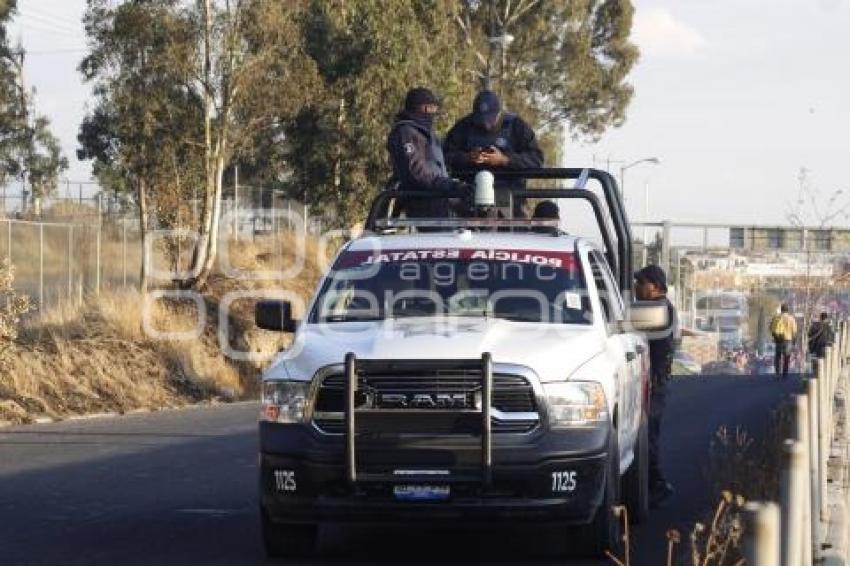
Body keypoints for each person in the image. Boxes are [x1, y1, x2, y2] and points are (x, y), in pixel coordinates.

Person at [444, 90, 544, 217]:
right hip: (471, 196)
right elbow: (444, 158)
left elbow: (537, 159)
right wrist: (468, 157)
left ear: (499, 113)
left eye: (490, 119)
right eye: (480, 120)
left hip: (508, 195)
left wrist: (505, 160)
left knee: (507, 231)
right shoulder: (463, 127)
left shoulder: (516, 126)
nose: (486, 124)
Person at [634, 264, 679, 508]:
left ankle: (657, 484)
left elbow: (630, 328)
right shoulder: (657, 307)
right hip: (652, 381)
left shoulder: (659, 309)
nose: (636, 287)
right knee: (645, 435)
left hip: (655, 383)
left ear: (655, 286)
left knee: (648, 436)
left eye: (641, 283)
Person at [387, 87, 469, 218]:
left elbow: (439, 167)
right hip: (422, 205)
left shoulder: (428, 135)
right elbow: (416, 173)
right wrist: (449, 186)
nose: (433, 113)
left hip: (441, 203)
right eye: (431, 108)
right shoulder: (405, 133)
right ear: (423, 109)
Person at [769, 304, 797, 379]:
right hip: (788, 339)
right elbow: (794, 331)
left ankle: (777, 373)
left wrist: (774, 337)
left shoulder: (776, 317)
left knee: (778, 356)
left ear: (781, 310)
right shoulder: (791, 318)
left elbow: (771, 328)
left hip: (778, 339)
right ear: (787, 310)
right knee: (786, 357)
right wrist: (794, 341)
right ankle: (785, 374)